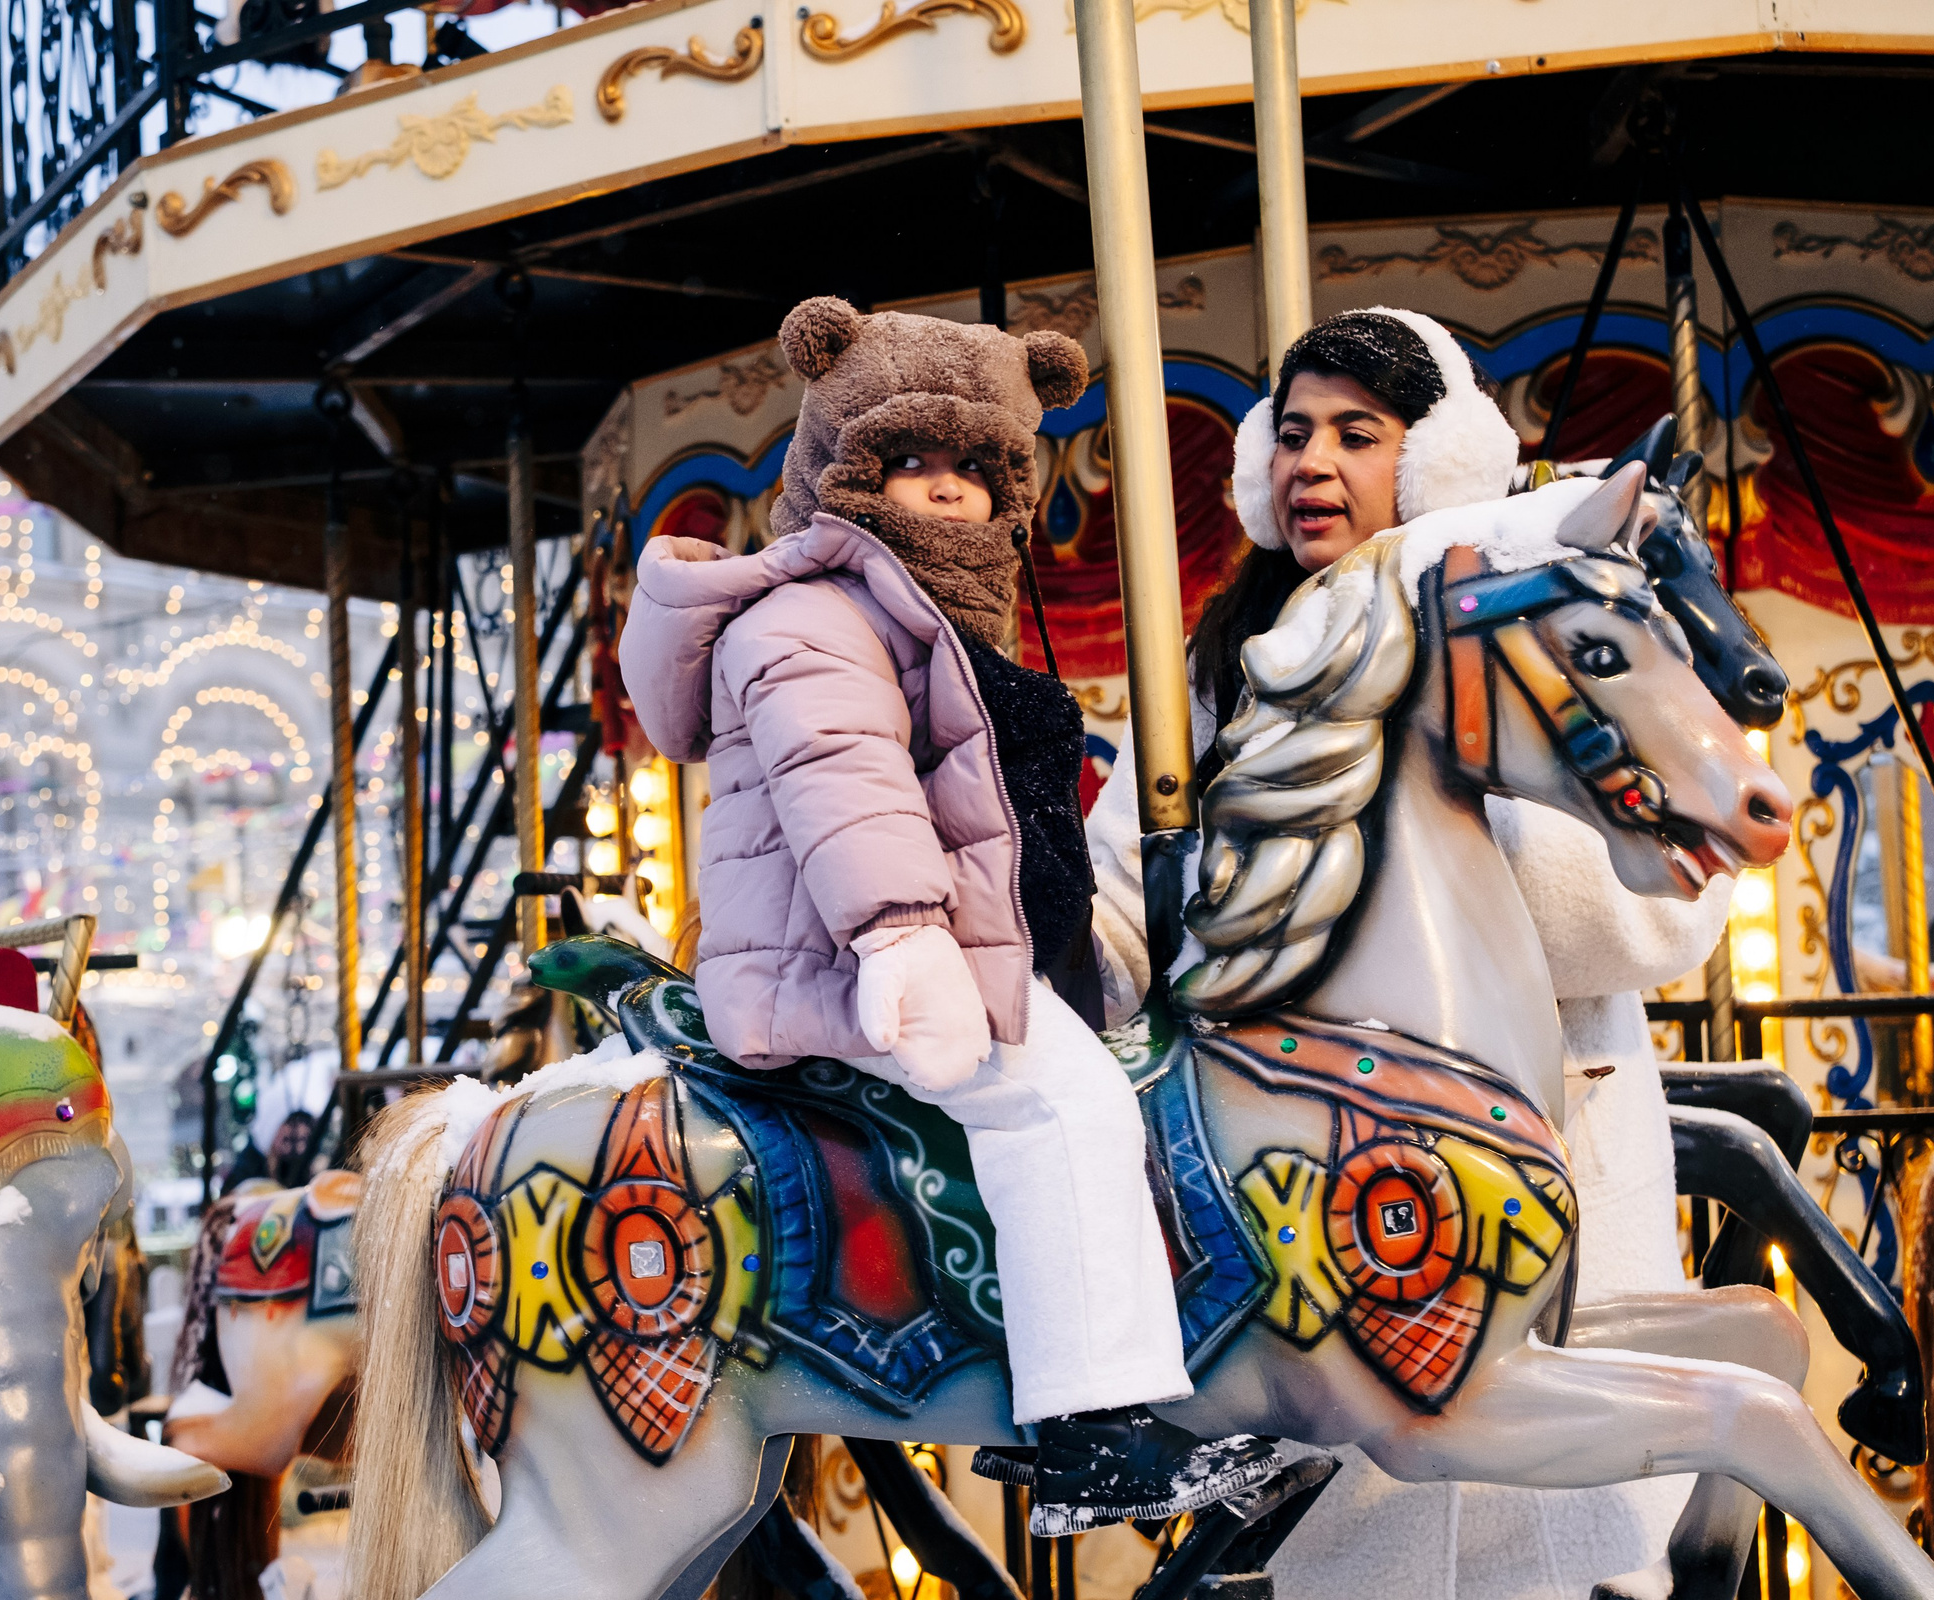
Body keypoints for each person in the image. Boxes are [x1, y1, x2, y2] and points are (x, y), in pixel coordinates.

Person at [1087, 307, 1732, 1595]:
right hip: (1316, 1170)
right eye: (1295, 433)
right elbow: (1123, 876)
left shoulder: (1516, 633)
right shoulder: (1232, 658)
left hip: (1534, 1133)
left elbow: (1665, 907)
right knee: (1359, 1517)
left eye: (1357, 435)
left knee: (1561, 1513)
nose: (1310, 463)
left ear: (1435, 462)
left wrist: (1420, 863)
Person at [619, 297, 1271, 1535]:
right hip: (846, 967)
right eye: (907, 461)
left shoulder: (934, 620)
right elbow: (840, 777)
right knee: (1057, 1100)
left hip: (950, 953)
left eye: (976, 468)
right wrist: (901, 935)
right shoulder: (810, 615)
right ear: (839, 470)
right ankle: (1094, 1428)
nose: (947, 491)